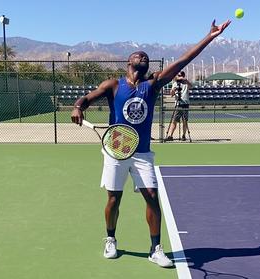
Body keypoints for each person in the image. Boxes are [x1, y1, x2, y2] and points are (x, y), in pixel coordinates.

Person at [71, 19, 231, 268]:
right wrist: (78, 106)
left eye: (145, 56)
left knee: (152, 198)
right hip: (116, 150)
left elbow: (182, 61)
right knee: (114, 199)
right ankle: (110, 240)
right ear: (129, 63)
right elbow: (88, 97)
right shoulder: (114, 85)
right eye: (137, 55)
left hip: (142, 153)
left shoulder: (152, 84)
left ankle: (155, 248)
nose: (142, 56)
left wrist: (209, 37)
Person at [165, 71, 192, 141]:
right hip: (178, 104)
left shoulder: (186, 83)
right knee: (174, 120)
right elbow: (171, 94)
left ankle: (184, 135)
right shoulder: (175, 83)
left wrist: (186, 80)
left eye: (181, 75)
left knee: (184, 121)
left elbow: (191, 86)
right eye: (178, 75)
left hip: (185, 103)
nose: (179, 77)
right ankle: (170, 135)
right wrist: (173, 90)